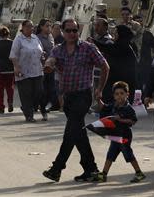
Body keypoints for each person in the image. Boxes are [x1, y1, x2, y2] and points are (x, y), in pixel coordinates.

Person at [43, 19, 109, 183]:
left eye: (74, 30)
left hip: (83, 95)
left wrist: (99, 89)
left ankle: (57, 168)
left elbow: (105, 66)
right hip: (68, 97)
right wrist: (49, 65)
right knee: (78, 133)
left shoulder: (88, 48)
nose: (72, 34)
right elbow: (51, 60)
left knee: (70, 132)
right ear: (63, 32)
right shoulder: (58, 50)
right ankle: (91, 169)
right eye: (68, 31)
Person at [94, 81, 146, 183]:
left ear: (127, 94)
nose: (119, 96)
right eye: (117, 94)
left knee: (128, 154)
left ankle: (139, 173)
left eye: (122, 93)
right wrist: (98, 99)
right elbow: (103, 107)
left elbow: (133, 121)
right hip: (115, 135)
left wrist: (119, 119)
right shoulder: (114, 106)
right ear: (114, 96)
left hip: (125, 135)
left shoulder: (128, 108)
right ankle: (103, 174)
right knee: (110, 154)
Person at [9, 20, 45, 122]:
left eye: (32, 27)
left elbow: (41, 50)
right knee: (26, 94)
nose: (31, 29)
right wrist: (16, 67)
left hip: (37, 70)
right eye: (28, 26)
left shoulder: (35, 38)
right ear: (23, 27)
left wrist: (43, 57)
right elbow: (13, 55)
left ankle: (28, 107)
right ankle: (29, 115)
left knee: (39, 91)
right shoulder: (18, 39)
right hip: (23, 71)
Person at [92, 24, 137, 103]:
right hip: (115, 82)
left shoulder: (123, 46)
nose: (114, 35)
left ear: (121, 34)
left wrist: (94, 42)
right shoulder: (121, 45)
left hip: (121, 84)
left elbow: (107, 49)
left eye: (116, 33)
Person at [36, 19, 57, 114]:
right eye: (47, 26)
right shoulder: (37, 38)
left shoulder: (51, 37)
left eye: (50, 26)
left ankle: (43, 105)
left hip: (51, 67)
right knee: (41, 88)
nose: (49, 28)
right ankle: (37, 105)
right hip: (41, 67)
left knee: (51, 88)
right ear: (41, 27)